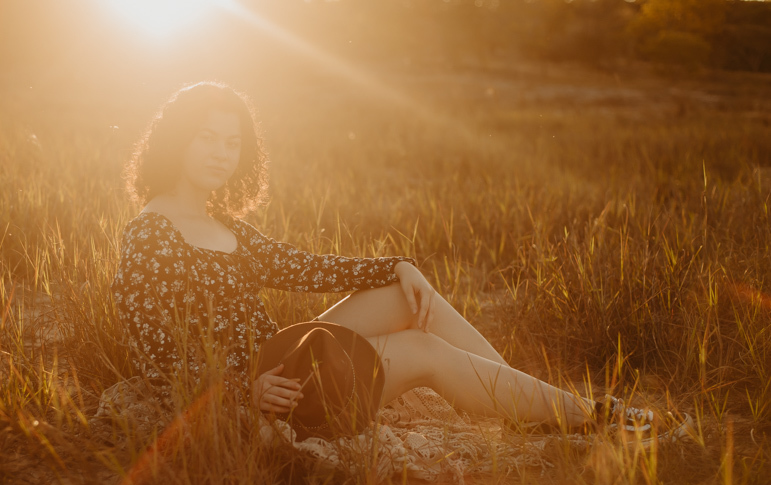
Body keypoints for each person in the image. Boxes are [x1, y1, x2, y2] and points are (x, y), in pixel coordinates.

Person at [111, 81, 691, 446]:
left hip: (287, 357)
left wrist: (398, 265)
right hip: (275, 395)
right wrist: (245, 389)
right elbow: (151, 351)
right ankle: (591, 416)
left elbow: (311, 269)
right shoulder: (151, 237)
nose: (220, 153)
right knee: (422, 350)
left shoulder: (227, 227)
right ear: (177, 140)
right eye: (206, 137)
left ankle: (521, 400)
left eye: (231, 143)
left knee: (410, 298)